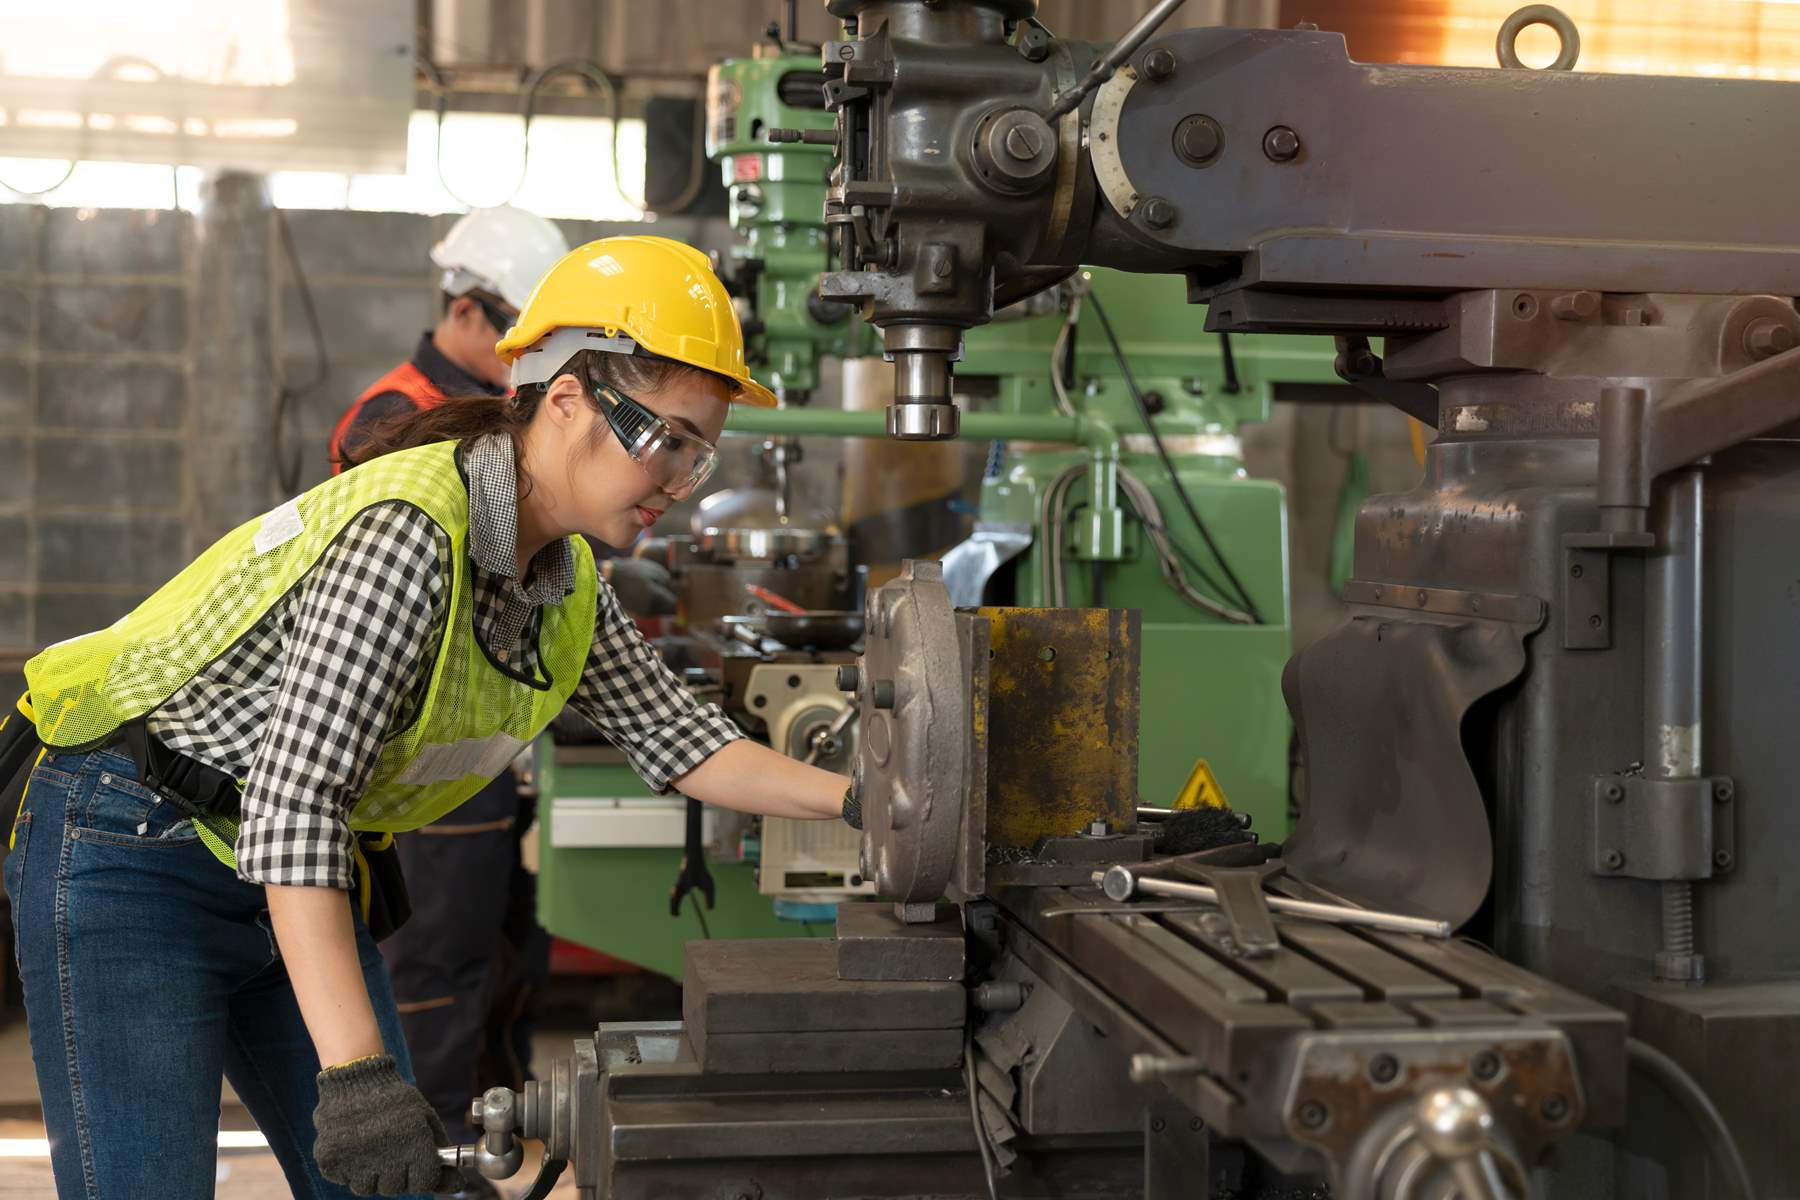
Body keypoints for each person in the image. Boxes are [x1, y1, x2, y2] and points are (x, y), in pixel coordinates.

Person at [8, 235, 854, 1198]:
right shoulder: (411, 532)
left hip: (277, 868)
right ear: (567, 400)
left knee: (392, 1181)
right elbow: (296, 803)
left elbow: (682, 738)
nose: (677, 483)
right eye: (667, 443)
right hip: (134, 848)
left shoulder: (565, 575)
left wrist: (865, 802)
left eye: (697, 457)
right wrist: (358, 1082)